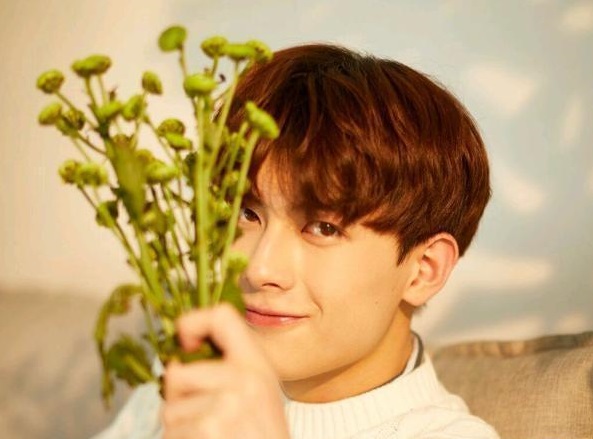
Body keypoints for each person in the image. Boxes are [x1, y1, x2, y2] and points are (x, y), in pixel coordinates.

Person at [93, 43, 499, 439]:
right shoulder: (191, 383)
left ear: (424, 269)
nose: (258, 269)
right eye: (246, 213)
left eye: (323, 228)